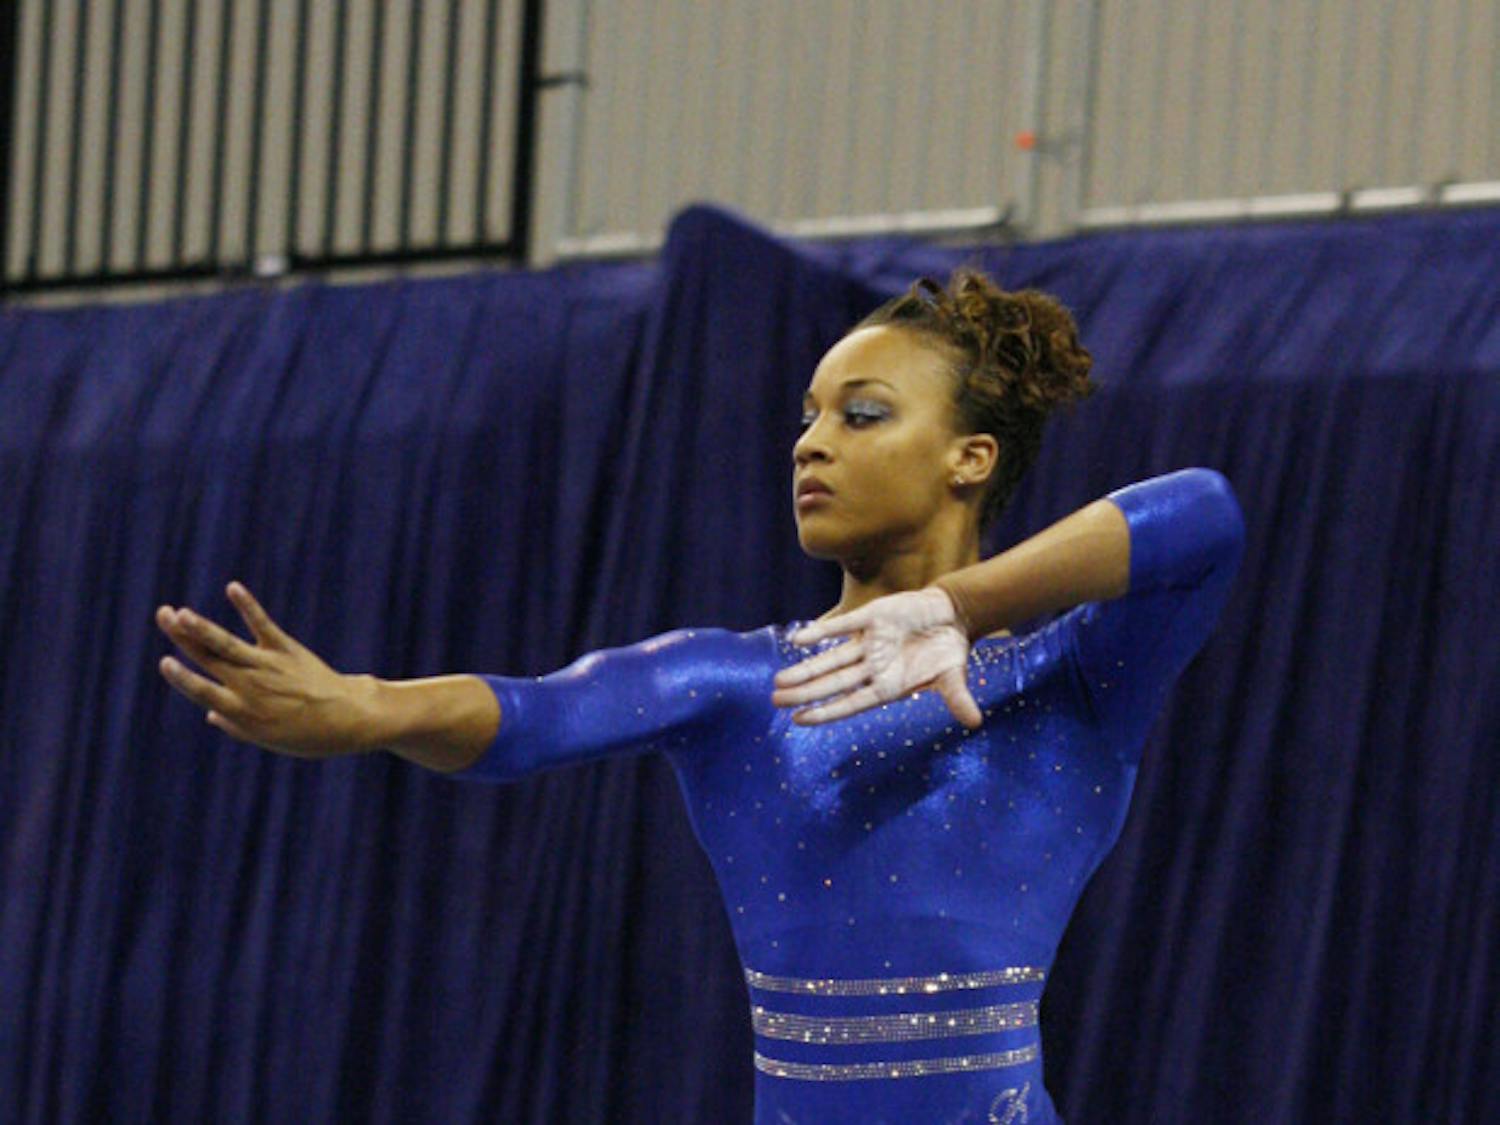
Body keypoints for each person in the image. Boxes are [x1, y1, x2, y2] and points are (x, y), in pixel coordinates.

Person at [156, 269, 1245, 1124]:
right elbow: (537, 715)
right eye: (808, 417)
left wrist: (953, 609)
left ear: (971, 457)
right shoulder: (739, 683)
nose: (811, 442)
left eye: (861, 415)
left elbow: (1204, 517)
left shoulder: (1074, 681)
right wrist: (372, 708)